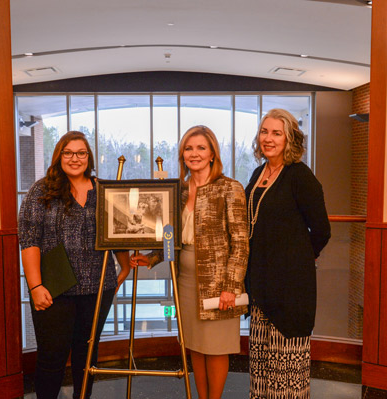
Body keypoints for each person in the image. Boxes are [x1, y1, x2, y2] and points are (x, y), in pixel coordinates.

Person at [130, 126, 249, 399]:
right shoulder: (179, 190)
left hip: (219, 282)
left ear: (212, 154)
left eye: (201, 148)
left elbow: (241, 243)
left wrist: (231, 286)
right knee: (195, 345)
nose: (194, 153)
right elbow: (173, 237)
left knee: (216, 347)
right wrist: (152, 258)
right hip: (184, 279)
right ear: (182, 154)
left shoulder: (229, 188)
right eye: (188, 148)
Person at [18, 131, 130, 399]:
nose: (75, 158)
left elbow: (119, 232)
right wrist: (35, 286)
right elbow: (29, 240)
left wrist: (124, 268)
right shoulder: (41, 190)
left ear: (88, 157)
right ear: (59, 156)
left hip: (97, 287)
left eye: (81, 153)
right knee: (51, 357)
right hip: (54, 289)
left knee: (87, 357)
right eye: (68, 152)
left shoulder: (104, 189)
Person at [245, 109, 331, 399]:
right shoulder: (259, 173)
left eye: (276, 133)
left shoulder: (300, 176)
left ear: (290, 138)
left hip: (291, 290)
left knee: (286, 372)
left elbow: (321, 230)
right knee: (261, 368)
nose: (268, 138)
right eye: (264, 131)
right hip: (261, 287)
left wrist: (301, 260)